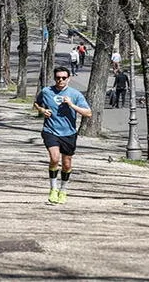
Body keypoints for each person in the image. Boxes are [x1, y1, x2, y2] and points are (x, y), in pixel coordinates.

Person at [33, 66, 92, 205]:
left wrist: (72, 105)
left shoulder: (75, 94)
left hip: (69, 133)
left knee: (66, 164)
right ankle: (53, 189)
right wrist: (42, 110)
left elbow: (88, 113)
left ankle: (63, 190)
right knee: (54, 158)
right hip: (50, 130)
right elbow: (36, 103)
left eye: (63, 78)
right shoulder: (46, 91)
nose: (60, 80)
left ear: (68, 79)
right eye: (58, 78)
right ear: (54, 78)